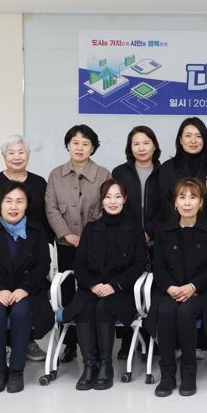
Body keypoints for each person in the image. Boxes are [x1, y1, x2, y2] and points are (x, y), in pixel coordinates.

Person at [0, 181, 52, 393]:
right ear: (0, 204)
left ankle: (16, 371)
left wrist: (25, 289)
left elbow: (43, 265)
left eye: (19, 201)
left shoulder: (37, 231)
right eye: (8, 201)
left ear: (26, 205)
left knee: (21, 313)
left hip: (28, 291)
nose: (14, 206)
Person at [64, 179, 147, 390]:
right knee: (84, 308)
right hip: (92, 286)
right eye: (108, 197)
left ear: (124, 199)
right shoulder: (91, 228)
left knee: (103, 307)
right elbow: (79, 264)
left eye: (117, 197)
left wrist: (114, 286)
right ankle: (89, 365)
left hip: (122, 289)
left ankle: (105, 365)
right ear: (101, 200)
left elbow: (139, 265)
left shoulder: (135, 229)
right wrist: (93, 285)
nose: (113, 201)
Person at [145, 178, 207, 397]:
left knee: (186, 311)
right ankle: (168, 374)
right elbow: (158, 267)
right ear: (175, 203)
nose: (187, 203)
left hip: (202, 291)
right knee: (166, 310)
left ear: (201, 203)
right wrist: (170, 288)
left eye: (193, 197)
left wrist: (192, 286)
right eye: (182, 197)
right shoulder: (164, 229)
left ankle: (188, 373)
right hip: (170, 290)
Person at [0, 134, 51, 363]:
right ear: (3, 156)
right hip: (0, 249)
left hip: (31, 247)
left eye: (21, 152)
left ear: (29, 155)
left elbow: (45, 217)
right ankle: (3, 347)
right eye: (11, 152)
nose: (17, 156)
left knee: (24, 305)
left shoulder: (39, 183)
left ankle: (25, 343)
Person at [45, 124, 111, 362]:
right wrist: (67, 235)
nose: (80, 148)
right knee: (68, 292)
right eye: (75, 143)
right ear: (68, 146)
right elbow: (51, 208)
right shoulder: (56, 174)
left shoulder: (103, 174)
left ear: (93, 147)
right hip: (66, 245)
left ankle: (96, 342)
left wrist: (90, 238)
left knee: (92, 289)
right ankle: (70, 343)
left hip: (96, 246)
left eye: (85, 143)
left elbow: (108, 206)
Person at [111, 125, 162, 358]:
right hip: (126, 241)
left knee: (152, 290)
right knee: (128, 289)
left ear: (154, 145)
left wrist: (149, 232)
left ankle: (151, 338)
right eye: (136, 143)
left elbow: (167, 208)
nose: (141, 148)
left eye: (146, 143)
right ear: (130, 147)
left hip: (156, 241)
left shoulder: (163, 171)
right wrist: (134, 234)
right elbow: (116, 204)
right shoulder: (120, 172)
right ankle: (127, 341)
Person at [158, 117, 207, 223]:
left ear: (205, 140)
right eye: (188, 136)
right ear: (180, 140)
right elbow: (165, 203)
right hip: (174, 229)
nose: (193, 141)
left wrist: (202, 226)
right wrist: (182, 224)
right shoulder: (167, 168)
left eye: (198, 136)